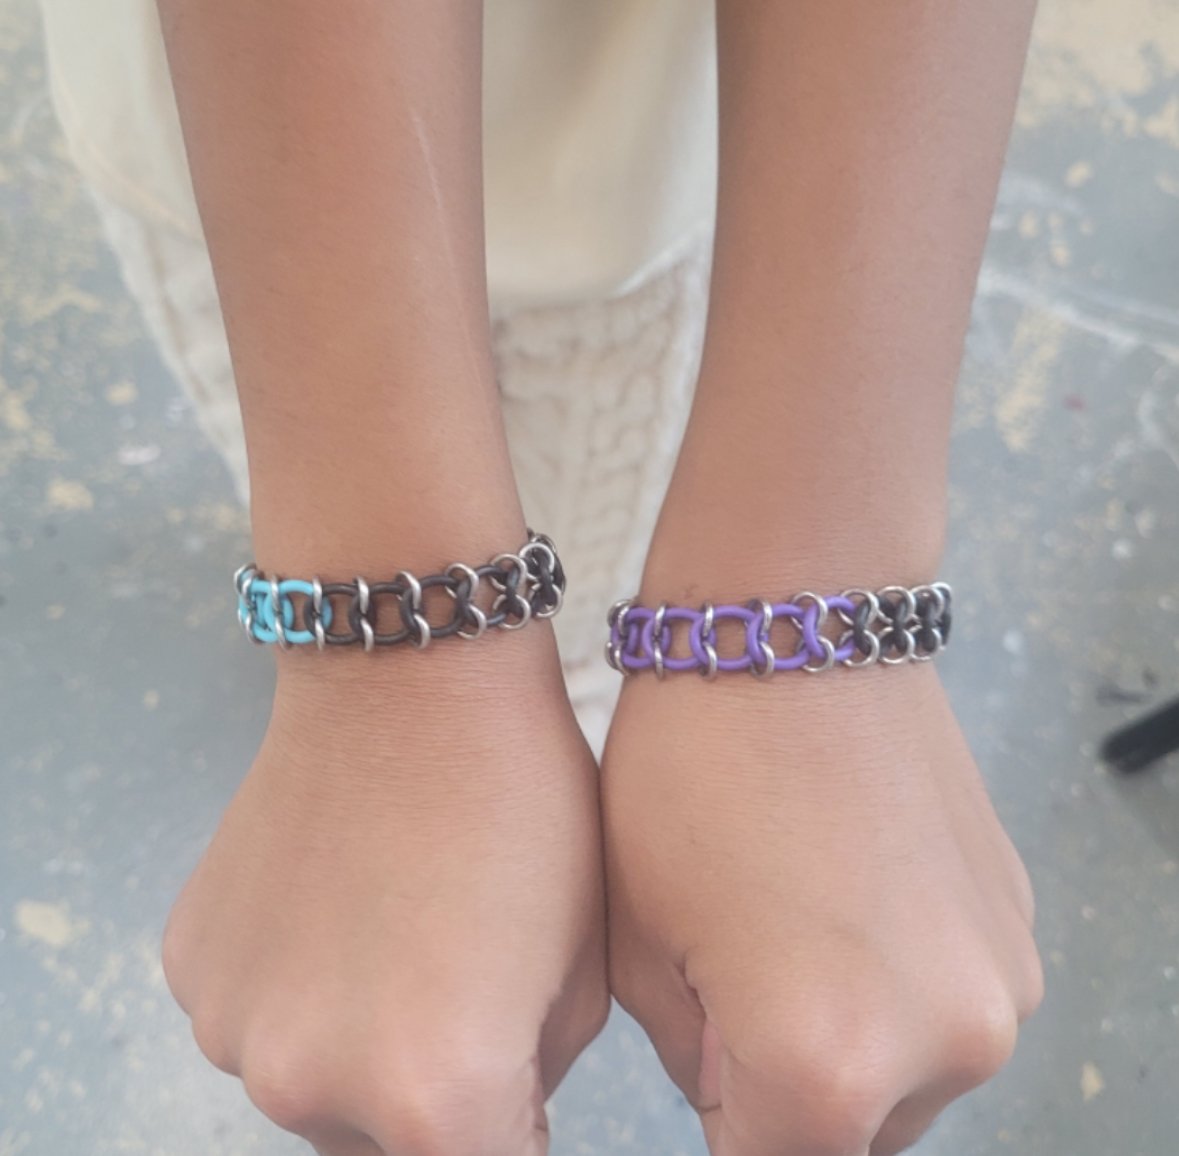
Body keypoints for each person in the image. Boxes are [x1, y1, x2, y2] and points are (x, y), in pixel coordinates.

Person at [41, 2, 1044, 1153]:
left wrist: (819, 579)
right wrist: (383, 680)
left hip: (666, 156)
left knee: (596, 557)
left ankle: (584, 719)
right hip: (242, 184)